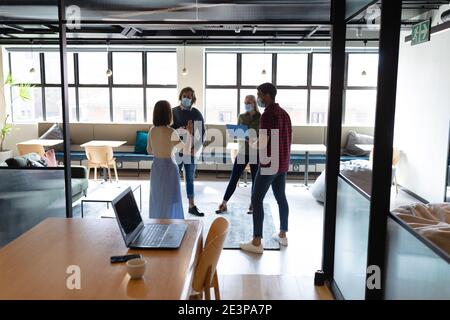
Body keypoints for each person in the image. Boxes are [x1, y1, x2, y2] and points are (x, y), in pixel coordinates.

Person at [240, 83, 292, 254]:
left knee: (256, 200)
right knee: (281, 198)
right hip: (282, 164)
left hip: (269, 164)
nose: (258, 98)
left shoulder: (267, 115)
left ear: (267, 95)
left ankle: (256, 242)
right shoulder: (284, 114)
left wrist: (250, 141)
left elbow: (263, 142)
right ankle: (283, 235)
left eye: (259, 94)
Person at [216, 95, 260, 215]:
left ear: (255, 103)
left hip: (256, 152)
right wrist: (239, 134)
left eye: (249, 102)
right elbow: (238, 134)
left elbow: (262, 136)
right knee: (234, 178)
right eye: (245, 102)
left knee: (256, 181)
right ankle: (223, 203)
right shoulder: (241, 117)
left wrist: (252, 137)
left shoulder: (261, 118)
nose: (247, 104)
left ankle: (253, 204)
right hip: (242, 152)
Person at [148, 100, 187, 219]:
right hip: (170, 167)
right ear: (168, 114)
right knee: (171, 199)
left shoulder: (152, 130)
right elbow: (182, 149)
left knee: (157, 197)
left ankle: (156, 223)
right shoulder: (171, 132)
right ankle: (171, 223)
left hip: (156, 167)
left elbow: (149, 150)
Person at [171, 87, 206, 217]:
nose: (187, 98)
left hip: (190, 152)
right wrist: (182, 130)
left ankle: (191, 205)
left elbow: (201, 134)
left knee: (190, 178)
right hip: (177, 151)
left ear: (193, 99)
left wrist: (195, 148)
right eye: (184, 96)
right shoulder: (173, 112)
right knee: (174, 178)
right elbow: (169, 131)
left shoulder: (196, 113)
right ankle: (173, 205)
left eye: (189, 96)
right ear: (181, 97)